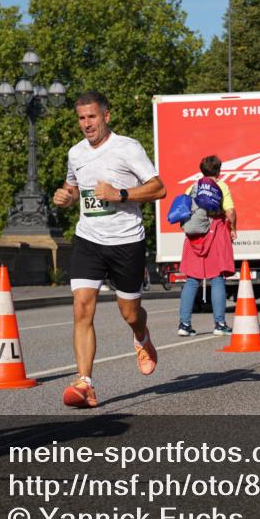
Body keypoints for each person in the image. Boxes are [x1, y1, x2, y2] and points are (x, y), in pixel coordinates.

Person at [52, 91, 166, 408]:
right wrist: (67, 196)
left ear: (106, 116)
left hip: (126, 240)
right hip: (89, 239)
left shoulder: (127, 148)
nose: (86, 124)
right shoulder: (76, 153)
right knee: (81, 308)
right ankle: (84, 382)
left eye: (92, 117)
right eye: (81, 118)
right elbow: (74, 186)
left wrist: (120, 193)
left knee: (129, 313)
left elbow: (159, 188)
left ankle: (141, 336)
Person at [177, 156, 236, 336]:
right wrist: (233, 228)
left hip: (194, 237)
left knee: (192, 279)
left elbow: (183, 211)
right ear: (218, 170)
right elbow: (230, 212)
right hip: (215, 233)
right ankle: (219, 324)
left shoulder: (191, 188)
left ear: (202, 170)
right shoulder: (221, 187)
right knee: (217, 278)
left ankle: (184, 325)